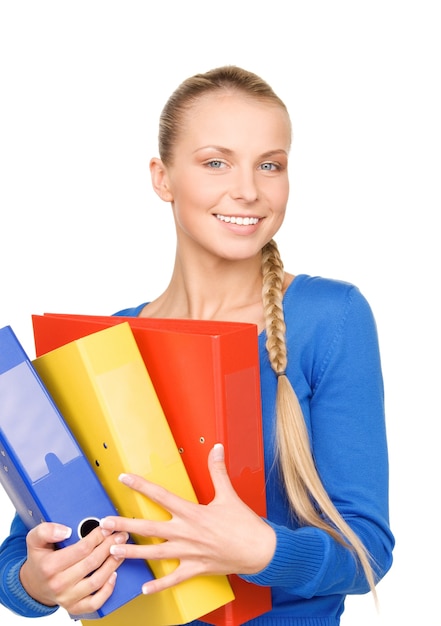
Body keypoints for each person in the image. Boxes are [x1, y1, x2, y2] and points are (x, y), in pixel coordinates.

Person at [0, 65, 394, 625]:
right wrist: (38, 581)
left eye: (270, 165)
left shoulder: (329, 317)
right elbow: (25, 544)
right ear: (163, 179)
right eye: (216, 162)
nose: (249, 190)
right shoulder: (107, 343)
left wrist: (261, 551)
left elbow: (369, 553)